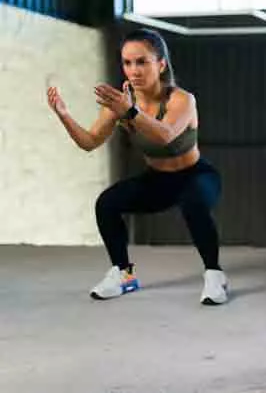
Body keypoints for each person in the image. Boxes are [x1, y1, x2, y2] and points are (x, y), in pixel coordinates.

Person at [46, 28, 227, 305]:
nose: (134, 70)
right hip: (158, 180)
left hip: (196, 175)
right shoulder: (120, 105)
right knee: (106, 203)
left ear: (161, 64)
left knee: (194, 204)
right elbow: (89, 141)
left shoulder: (181, 100)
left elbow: (165, 135)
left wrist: (129, 112)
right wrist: (64, 115)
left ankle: (215, 275)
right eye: (128, 63)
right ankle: (124, 274)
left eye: (142, 61)